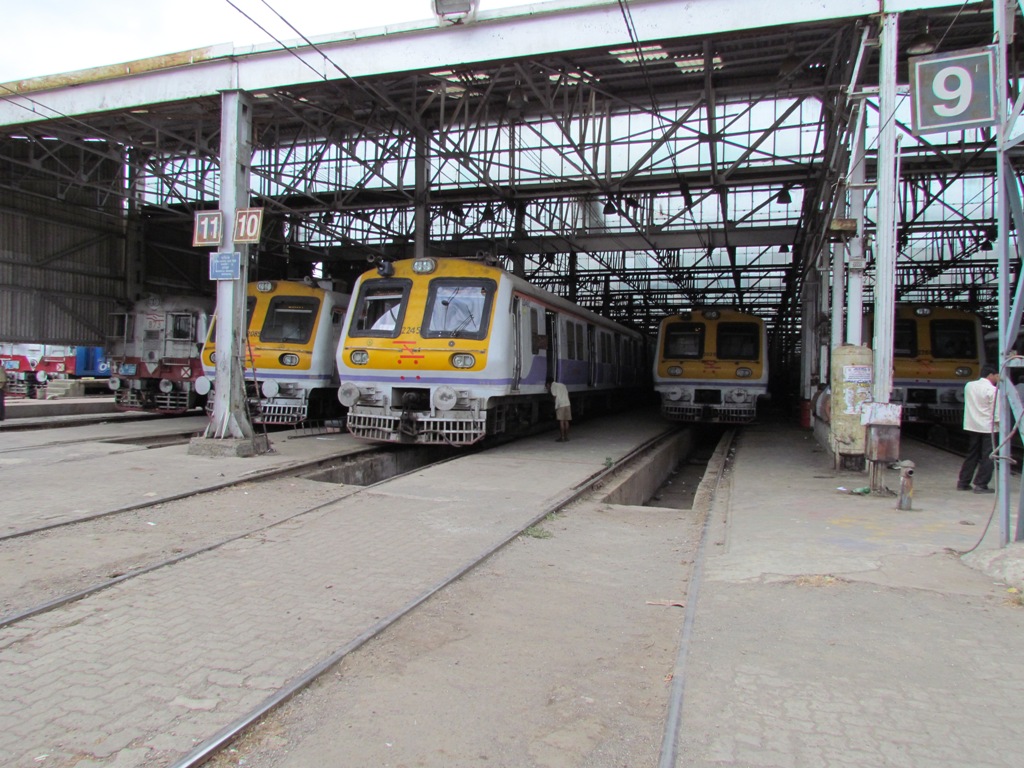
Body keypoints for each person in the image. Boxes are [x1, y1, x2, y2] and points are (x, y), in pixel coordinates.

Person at [958, 364, 1000, 493]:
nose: (999, 378)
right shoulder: (993, 390)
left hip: (972, 425)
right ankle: (981, 484)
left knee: (972, 454)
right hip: (988, 427)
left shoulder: (969, 386)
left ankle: (963, 482)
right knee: (988, 456)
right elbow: (997, 413)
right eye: (997, 375)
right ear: (991, 375)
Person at [546, 377, 571, 442]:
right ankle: (566, 437)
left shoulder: (553, 387)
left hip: (561, 405)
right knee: (566, 421)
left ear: (548, 384)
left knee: (561, 421)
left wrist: (555, 405)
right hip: (567, 404)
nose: (547, 387)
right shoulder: (563, 385)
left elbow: (554, 397)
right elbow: (567, 395)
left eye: (547, 386)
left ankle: (562, 437)